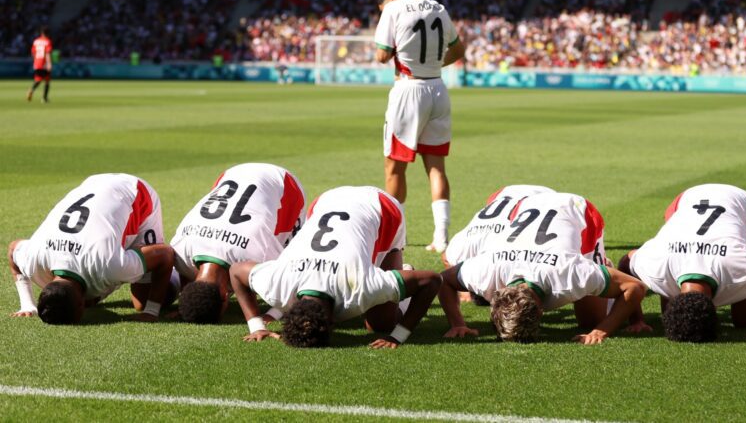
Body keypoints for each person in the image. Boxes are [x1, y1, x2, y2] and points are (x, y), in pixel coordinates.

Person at [229, 185, 441, 348]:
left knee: (381, 325)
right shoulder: (277, 285)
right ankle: (395, 277)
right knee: (377, 316)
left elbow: (432, 280)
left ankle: (406, 271)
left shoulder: (359, 287)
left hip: (382, 207)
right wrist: (256, 325)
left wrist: (399, 335)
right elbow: (236, 271)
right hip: (326, 199)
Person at [438, 191, 645, 344]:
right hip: (528, 203)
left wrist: (601, 331)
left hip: (577, 210)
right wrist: (457, 323)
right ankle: (602, 275)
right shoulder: (486, 271)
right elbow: (444, 279)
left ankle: (602, 266)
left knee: (591, 319)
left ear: (540, 312)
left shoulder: (568, 274)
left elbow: (634, 287)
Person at [621, 183, 746, 342]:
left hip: (745, 206)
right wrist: (636, 319)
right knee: (672, 313)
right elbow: (625, 263)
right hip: (685, 201)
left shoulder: (743, 268)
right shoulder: (656, 264)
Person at [373, 0, 466, 253]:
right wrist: (434, 63)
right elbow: (458, 49)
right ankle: (441, 237)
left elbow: (381, 55)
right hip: (437, 87)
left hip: (409, 89)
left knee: (394, 167)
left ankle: (394, 237)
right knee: (436, 167)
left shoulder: (393, 9)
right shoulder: (438, 7)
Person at [7, 173, 175, 324]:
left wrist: (151, 311)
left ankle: (181, 275)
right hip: (93, 183)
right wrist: (28, 305)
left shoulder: (110, 265)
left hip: (135, 193)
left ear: (81, 305)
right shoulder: (33, 259)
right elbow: (13, 249)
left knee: (142, 302)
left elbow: (165, 254)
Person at [171, 163, 306, 324]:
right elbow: (185, 273)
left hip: (284, 185)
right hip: (232, 173)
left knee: (290, 251)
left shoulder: (261, 255)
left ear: (225, 296)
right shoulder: (178, 251)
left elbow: (292, 283)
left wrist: (272, 314)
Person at [442, 184, 556, 269]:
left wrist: (463, 291)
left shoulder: (461, 249)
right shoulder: (461, 248)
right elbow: (446, 257)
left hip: (545, 197)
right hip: (505, 193)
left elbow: (446, 258)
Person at [26, 26, 52, 103]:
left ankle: (44, 97)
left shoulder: (36, 41)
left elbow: (33, 53)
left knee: (43, 79)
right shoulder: (47, 41)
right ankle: (42, 97)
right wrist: (49, 63)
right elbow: (47, 53)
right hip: (44, 63)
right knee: (44, 80)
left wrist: (35, 61)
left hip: (37, 62)